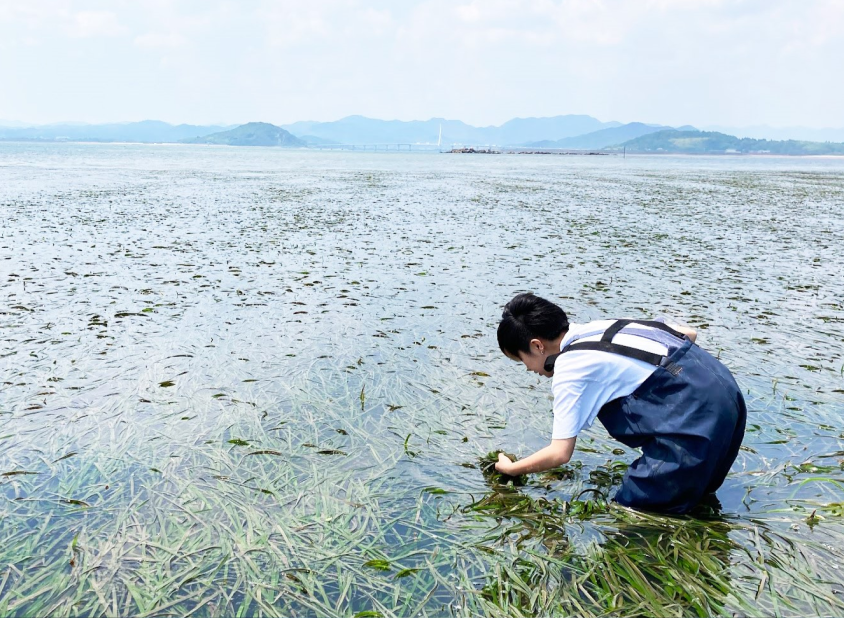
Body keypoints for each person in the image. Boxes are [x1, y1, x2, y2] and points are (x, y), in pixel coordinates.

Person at [494, 292, 746, 514]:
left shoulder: (569, 367)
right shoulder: (601, 326)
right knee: (697, 497)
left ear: (537, 346)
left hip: (695, 422)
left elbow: (560, 453)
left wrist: (512, 469)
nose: (528, 369)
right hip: (728, 396)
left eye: (521, 360)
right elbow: (688, 333)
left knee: (631, 511)